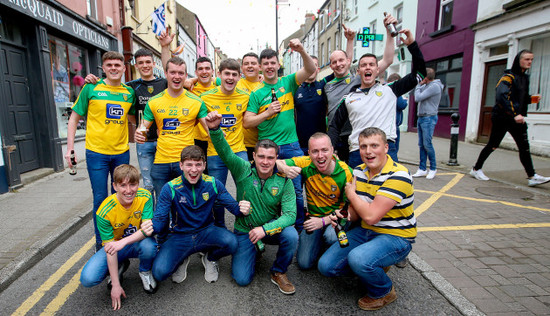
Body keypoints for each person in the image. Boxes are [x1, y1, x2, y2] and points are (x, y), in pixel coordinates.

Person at [318, 127, 416, 311]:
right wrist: (343, 215)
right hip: (366, 231)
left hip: (396, 236)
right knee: (326, 266)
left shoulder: (399, 175)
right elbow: (356, 213)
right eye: (363, 146)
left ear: (386, 147)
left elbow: (371, 216)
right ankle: (374, 266)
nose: (368, 151)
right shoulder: (359, 171)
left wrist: (350, 194)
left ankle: (384, 291)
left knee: (358, 259)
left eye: (374, 145)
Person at [207, 111, 299, 295]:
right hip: (245, 230)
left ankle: (279, 271)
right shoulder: (243, 169)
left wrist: (264, 230)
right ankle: (254, 251)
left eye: (270, 158)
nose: (265, 162)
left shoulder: (284, 180)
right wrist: (215, 129)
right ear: (254, 156)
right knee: (242, 279)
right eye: (261, 157)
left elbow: (290, 215)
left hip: (269, 228)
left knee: (291, 235)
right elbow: (225, 151)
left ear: (276, 159)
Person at [142, 145, 250, 284]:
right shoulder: (170, 188)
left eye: (198, 165)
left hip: (206, 232)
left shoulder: (213, 183)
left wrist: (244, 207)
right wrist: (149, 227)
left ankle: (210, 258)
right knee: (159, 273)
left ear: (204, 165)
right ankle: (182, 257)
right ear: (181, 165)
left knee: (233, 243)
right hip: (180, 236)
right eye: (189, 165)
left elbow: (234, 208)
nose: (194, 170)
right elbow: (160, 219)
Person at [65, 51, 136, 251]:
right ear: (103, 68)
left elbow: (133, 120)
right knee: (100, 199)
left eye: (117, 65)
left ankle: (120, 239)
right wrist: (70, 148)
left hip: (121, 152)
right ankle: (102, 243)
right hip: (96, 153)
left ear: (123, 68)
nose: (114, 68)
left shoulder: (128, 92)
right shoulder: (91, 88)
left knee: (122, 197)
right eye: (109, 65)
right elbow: (74, 118)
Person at [244, 38, 316, 233]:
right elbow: (247, 122)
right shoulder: (257, 93)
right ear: (260, 67)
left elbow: (310, 70)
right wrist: (267, 113)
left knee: (296, 192)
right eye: (265, 63)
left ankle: (299, 230)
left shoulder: (288, 82)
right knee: (267, 191)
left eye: (272, 62)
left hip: (291, 146)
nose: (269, 66)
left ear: (278, 64)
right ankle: (270, 230)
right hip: (268, 150)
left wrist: (301, 50)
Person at [328, 28, 426, 168]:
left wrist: (412, 45)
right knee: (357, 190)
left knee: (389, 190)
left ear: (377, 70)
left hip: (385, 152)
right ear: (358, 71)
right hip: (357, 153)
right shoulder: (349, 98)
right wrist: (330, 149)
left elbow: (420, 74)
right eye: (363, 65)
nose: (367, 68)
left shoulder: (390, 90)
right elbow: (334, 126)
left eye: (371, 65)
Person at [80, 164, 158, 311]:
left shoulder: (145, 196)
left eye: (133, 184)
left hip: (135, 243)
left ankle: (145, 271)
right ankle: (120, 266)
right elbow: (110, 249)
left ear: (138, 184)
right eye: (123, 185)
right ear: (115, 186)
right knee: (88, 278)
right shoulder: (104, 211)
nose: (128, 191)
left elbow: (147, 230)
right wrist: (116, 285)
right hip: (115, 248)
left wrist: (123, 242)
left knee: (150, 246)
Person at [470, 50, 550, 187]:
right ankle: (476, 169)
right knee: (493, 145)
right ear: (519, 60)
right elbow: (502, 96)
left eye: (531, 59)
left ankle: (532, 176)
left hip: (516, 119)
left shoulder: (525, 78)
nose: (529, 62)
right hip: (502, 118)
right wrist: (515, 114)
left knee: (524, 147)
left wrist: (531, 99)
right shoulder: (508, 77)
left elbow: (519, 98)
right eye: (526, 59)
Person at [135, 57, 209, 199]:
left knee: (186, 204)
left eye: (181, 73)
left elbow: (209, 130)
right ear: (166, 73)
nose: (177, 76)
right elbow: (143, 128)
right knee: (163, 206)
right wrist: (139, 133)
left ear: (186, 76)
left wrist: (217, 131)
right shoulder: (154, 101)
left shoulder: (197, 102)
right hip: (161, 161)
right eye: (173, 72)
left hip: (187, 162)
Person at [325, 17, 396, 164]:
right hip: (336, 137)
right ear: (330, 66)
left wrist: (389, 34)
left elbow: (388, 60)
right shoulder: (327, 86)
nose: (339, 64)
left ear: (349, 62)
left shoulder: (359, 78)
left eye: (341, 61)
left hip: (354, 137)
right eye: (334, 62)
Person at [276, 132, 353, 270]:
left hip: (335, 220)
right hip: (314, 218)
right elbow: (275, 162)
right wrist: (287, 169)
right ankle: (318, 244)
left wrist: (323, 221)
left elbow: (350, 210)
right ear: (309, 153)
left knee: (331, 237)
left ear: (332, 150)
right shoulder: (306, 163)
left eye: (324, 150)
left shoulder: (345, 172)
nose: (320, 156)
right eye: (315, 151)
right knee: (304, 264)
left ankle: (331, 251)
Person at [201, 58, 250, 228]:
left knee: (246, 192)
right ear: (219, 75)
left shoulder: (245, 96)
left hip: (238, 150)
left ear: (239, 77)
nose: (230, 77)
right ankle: (220, 229)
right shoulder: (205, 97)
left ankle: (244, 228)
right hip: (215, 153)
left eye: (234, 74)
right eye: (226, 74)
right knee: (216, 194)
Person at [125, 48, 168, 198]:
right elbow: (131, 114)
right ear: (135, 65)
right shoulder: (131, 86)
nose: (145, 65)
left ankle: (164, 218)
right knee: (148, 184)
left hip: (164, 141)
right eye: (141, 63)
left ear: (154, 63)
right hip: (144, 142)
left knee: (164, 183)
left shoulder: (164, 83)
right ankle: (150, 218)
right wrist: (138, 128)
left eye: (148, 62)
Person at [294, 56, 334, 155]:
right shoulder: (295, 88)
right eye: (308, 65)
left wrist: (350, 42)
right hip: (301, 143)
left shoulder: (323, 84)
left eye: (314, 65)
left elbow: (342, 69)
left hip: (320, 144)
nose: (311, 68)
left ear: (318, 69)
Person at [411, 68, 443, 180]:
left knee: (427, 144)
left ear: (426, 78)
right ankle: (422, 168)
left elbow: (418, 97)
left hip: (429, 118)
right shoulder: (427, 86)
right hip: (422, 117)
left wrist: (419, 85)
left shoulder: (434, 86)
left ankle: (433, 168)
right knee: (421, 144)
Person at [238, 52, 263, 161]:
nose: (250, 66)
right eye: (246, 63)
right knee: (245, 177)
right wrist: (191, 80)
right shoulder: (235, 84)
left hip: (264, 141)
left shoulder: (267, 84)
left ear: (259, 66)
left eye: (253, 63)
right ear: (242, 68)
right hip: (242, 144)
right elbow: (214, 80)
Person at [191, 57, 217, 160]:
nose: (204, 71)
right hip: (196, 139)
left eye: (207, 68)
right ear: (196, 72)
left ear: (212, 71)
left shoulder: (220, 88)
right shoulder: (190, 88)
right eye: (200, 69)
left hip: (215, 137)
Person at [387, 73, 408, 160]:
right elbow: (401, 105)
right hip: (393, 126)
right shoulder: (395, 90)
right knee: (393, 149)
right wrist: (405, 100)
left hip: (390, 125)